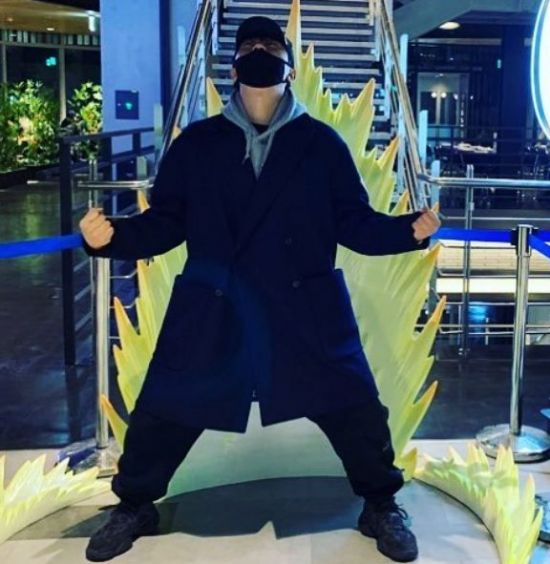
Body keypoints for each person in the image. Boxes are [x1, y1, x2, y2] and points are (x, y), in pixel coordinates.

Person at [79, 15, 440, 563]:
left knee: (355, 408)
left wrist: (407, 231)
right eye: (249, 45)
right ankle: (134, 505)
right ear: (232, 68)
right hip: (216, 306)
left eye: (271, 45)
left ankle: (381, 504)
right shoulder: (197, 144)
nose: (260, 53)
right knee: (164, 410)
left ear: (289, 67)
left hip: (303, 307)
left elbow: (355, 224)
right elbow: (166, 223)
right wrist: (110, 238)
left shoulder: (321, 144)